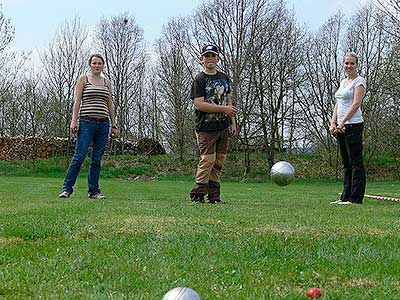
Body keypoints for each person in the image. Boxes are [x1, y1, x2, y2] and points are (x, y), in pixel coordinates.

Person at [58, 54, 118, 199]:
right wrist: (74, 121)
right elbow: (77, 102)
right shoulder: (83, 79)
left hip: (103, 124)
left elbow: (110, 104)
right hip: (86, 122)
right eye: (94, 63)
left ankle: (94, 191)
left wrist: (114, 124)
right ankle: (67, 189)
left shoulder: (107, 82)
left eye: (99, 63)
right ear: (90, 65)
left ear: (103, 65)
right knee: (79, 156)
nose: (97, 66)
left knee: (96, 159)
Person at [189, 44, 238, 204]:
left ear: (218, 58)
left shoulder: (224, 78)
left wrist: (233, 122)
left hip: (222, 127)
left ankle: (214, 196)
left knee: (218, 162)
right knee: (207, 160)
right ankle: (197, 194)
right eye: (207, 56)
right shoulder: (199, 80)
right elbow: (199, 104)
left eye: (213, 56)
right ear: (201, 59)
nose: (210, 59)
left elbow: (229, 101)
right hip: (205, 128)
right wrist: (223, 109)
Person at [329, 52, 366, 205]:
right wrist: (333, 123)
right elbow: (338, 103)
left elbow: (356, 104)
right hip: (340, 126)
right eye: (346, 63)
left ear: (356, 65)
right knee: (346, 163)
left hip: (353, 125)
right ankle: (345, 196)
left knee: (356, 162)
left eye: (352, 63)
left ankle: (355, 198)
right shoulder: (343, 82)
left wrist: (343, 122)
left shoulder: (359, 81)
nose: (349, 66)